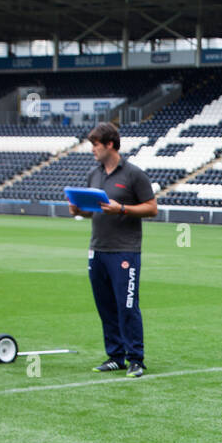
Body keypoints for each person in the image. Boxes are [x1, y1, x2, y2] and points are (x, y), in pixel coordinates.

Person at [69, 121, 158, 377]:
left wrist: (122, 208)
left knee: (127, 305)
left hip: (125, 251)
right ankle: (115, 356)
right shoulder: (94, 174)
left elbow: (152, 208)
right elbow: (94, 211)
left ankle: (136, 359)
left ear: (110, 144)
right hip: (98, 250)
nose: (92, 150)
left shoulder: (134, 174)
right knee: (105, 305)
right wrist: (78, 210)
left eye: (95, 145)